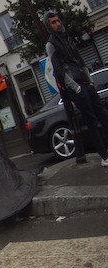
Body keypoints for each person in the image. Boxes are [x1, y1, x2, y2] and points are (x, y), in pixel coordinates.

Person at [44, 11, 108, 167]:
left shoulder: (68, 39)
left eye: (58, 21)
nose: (57, 24)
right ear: (48, 26)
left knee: (104, 116)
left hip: (86, 83)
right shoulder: (51, 44)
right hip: (77, 87)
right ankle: (104, 156)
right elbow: (59, 70)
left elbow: (80, 60)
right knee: (92, 121)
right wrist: (77, 88)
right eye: (53, 22)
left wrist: (90, 81)